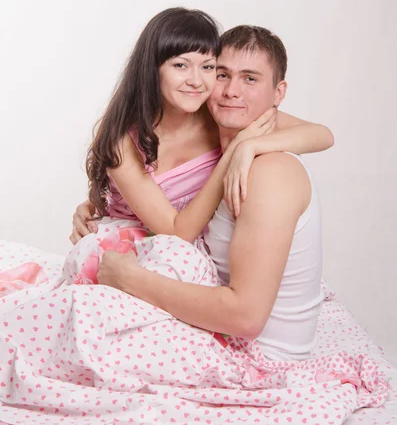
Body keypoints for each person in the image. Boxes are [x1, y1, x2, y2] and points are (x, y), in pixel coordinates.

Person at [95, 24, 325, 361]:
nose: (232, 90)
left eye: (250, 79)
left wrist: (131, 279)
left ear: (278, 94)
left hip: (256, 356)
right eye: (221, 74)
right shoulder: (212, 126)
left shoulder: (271, 173)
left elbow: (245, 316)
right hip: (218, 330)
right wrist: (97, 206)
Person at [71, 7, 333, 246]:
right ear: (152, 69)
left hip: (194, 261)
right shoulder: (122, 136)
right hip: (132, 252)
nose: (196, 81)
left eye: (208, 67)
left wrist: (251, 144)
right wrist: (233, 153)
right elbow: (176, 231)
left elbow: (322, 135)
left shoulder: (220, 113)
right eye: (180, 65)